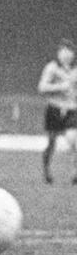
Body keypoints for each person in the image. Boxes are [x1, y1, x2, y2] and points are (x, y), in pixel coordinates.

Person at [37, 39, 77, 184]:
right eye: (63, 51)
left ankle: (75, 173)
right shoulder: (52, 68)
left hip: (72, 109)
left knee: (73, 140)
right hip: (54, 109)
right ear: (59, 53)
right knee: (51, 143)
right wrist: (60, 87)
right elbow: (42, 87)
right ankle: (46, 170)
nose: (66, 54)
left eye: (69, 51)